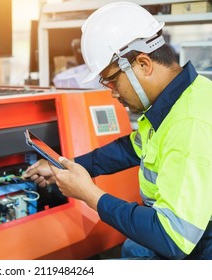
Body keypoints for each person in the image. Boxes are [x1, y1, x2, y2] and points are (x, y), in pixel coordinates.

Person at [23, 2, 212, 260]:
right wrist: (65, 165)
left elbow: (172, 238)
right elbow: (129, 149)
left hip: (196, 246)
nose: (112, 92)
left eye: (112, 80)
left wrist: (90, 195)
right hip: (186, 231)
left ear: (144, 64)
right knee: (132, 249)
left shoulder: (190, 125)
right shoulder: (181, 98)